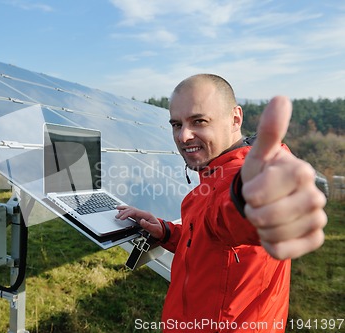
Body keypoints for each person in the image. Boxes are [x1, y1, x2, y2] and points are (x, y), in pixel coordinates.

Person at [116, 74, 327, 332]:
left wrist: (253, 199)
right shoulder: (211, 178)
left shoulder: (237, 179)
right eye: (176, 124)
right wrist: (166, 231)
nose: (183, 136)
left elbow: (235, 218)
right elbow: (211, 241)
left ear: (235, 118)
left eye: (199, 121)